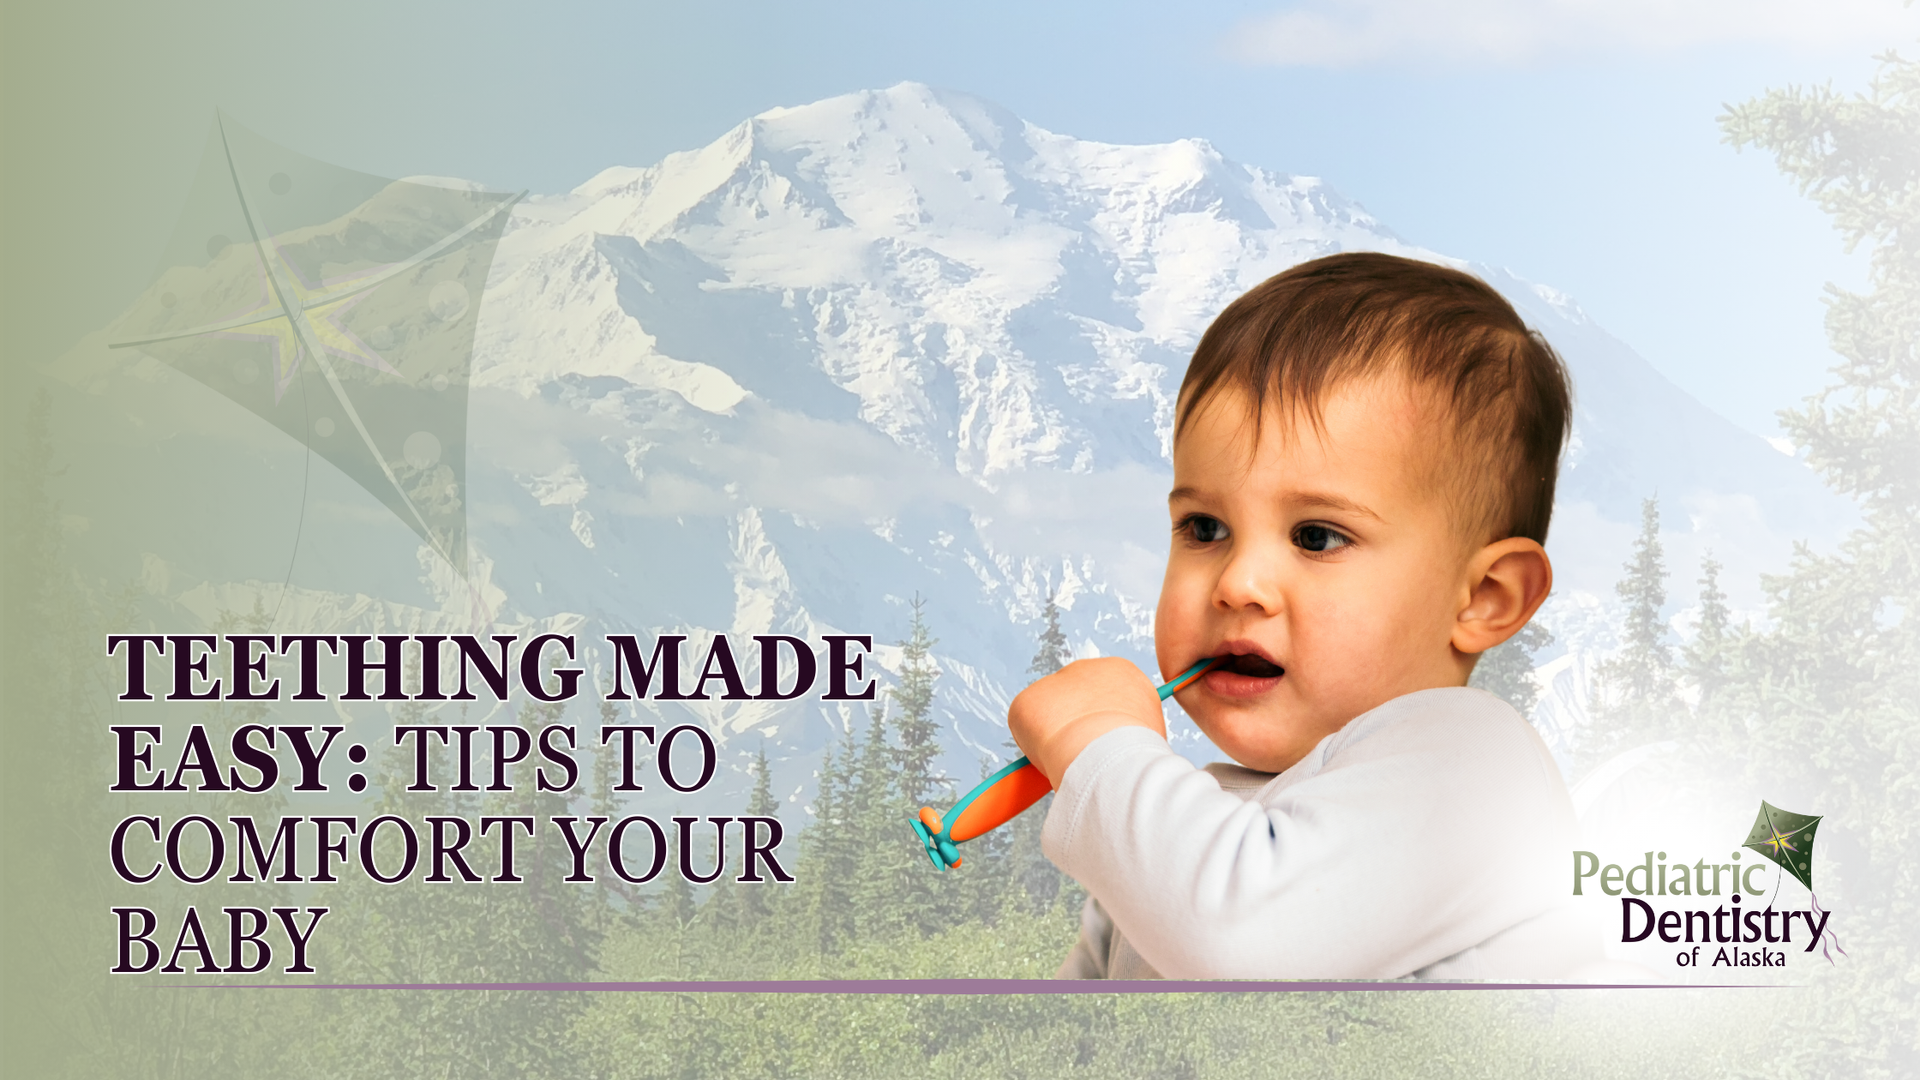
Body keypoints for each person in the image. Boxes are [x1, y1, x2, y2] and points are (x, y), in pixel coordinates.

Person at [1009, 252, 1601, 980]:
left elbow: (1240, 943)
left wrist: (1095, 742)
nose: (1238, 584)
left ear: (1485, 599)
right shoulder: (1178, 853)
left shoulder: (1470, 766)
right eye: (1204, 529)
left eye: (1317, 537)